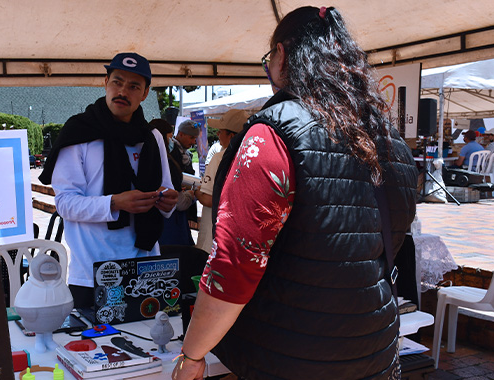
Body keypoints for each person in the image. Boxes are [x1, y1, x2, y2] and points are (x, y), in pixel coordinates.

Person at [173, 6, 417, 380]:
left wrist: (192, 355)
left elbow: (234, 265)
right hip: (375, 352)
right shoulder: (392, 143)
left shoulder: (273, 135)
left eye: (268, 59)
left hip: (288, 358)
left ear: (281, 55)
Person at [38, 52, 178, 307]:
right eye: (117, 81)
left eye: (134, 86)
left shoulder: (152, 137)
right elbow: (65, 203)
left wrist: (168, 200)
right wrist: (114, 203)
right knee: (90, 345)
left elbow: (165, 190)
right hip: (92, 271)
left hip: (145, 266)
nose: (123, 91)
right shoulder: (78, 132)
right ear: (105, 82)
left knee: (147, 342)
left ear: (145, 93)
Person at [195, 109, 247, 253]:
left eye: (220, 131)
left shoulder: (219, 158)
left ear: (231, 135)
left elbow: (209, 199)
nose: (217, 135)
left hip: (215, 231)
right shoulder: (253, 156)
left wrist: (196, 192)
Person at [150, 118, 196, 246]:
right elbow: (178, 202)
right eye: (169, 138)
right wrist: (190, 195)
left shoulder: (145, 158)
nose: (171, 142)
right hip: (171, 228)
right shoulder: (167, 161)